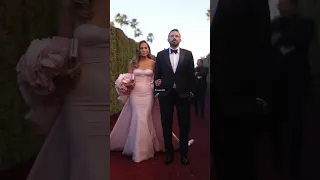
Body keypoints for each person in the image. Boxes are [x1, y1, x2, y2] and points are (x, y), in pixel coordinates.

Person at [22, 0, 110, 179]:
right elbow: (61, 55)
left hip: (112, 99)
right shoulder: (74, 5)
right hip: (82, 101)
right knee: (89, 167)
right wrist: (58, 71)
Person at [211, 0, 272, 179]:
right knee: (219, 160)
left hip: (240, 94)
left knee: (242, 161)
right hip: (212, 94)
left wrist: (261, 96)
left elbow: (262, 41)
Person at [110, 40, 194, 163]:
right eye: (141, 48)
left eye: (146, 48)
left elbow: (158, 78)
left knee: (145, 118)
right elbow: (129, 77)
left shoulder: (154, 63)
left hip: (148, 94)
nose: (144, 50)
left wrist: (160, 90)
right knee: (137, 118)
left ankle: (147, 148)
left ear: (148, 49)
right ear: (138, 50)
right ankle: (138, 150)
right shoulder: (132, 63)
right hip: (135, 94)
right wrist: (127, 84)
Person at [271, 0, 315, 178]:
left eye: (285, 3)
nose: (281, 6)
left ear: (294, 5)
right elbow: (267, 41)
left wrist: (280, 38)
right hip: (276, 82)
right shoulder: (275, 23)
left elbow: (300, 39)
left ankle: (295, 167)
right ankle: (278, 163)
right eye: (280, 4)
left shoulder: (306, 23)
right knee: (275, 125)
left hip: (297, 81)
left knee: (296, 126)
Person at [154, 29, 196, 165]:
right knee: (166, 124)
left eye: (176, 36)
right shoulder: (160, 55)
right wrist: (158, 91)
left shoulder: (188, 54)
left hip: (183, 95)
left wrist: (191, 92)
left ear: (180, 39)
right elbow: (157, 76)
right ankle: (169, 153)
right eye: (171, 36)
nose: (174, 37)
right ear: (167, 39)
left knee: (184, 124)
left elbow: (191, 75)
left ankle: (184, 154)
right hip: (165, 95)